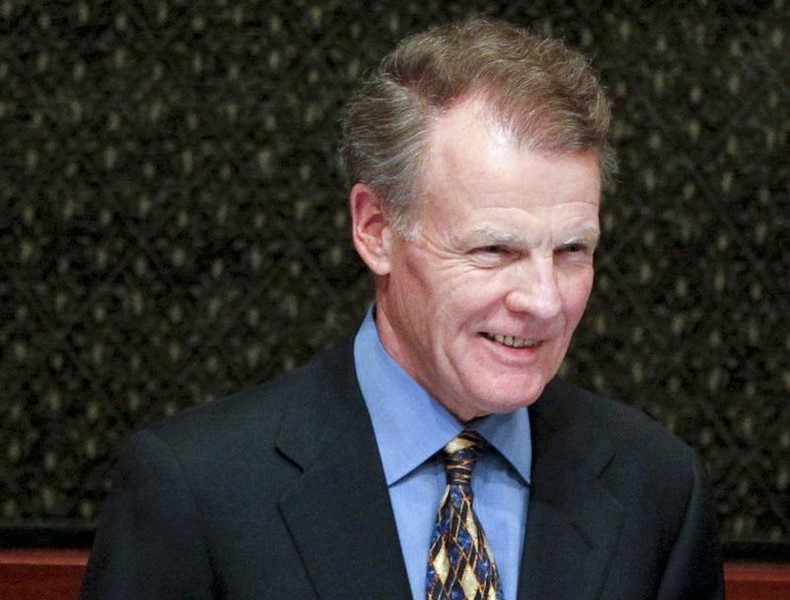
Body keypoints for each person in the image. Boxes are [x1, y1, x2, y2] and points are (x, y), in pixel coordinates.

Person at [80, 18, 724, 599]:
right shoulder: (198, 489)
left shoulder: (656, 487)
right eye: (494, 249)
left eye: (572, 250)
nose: (544, 301)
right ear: (376, 230)